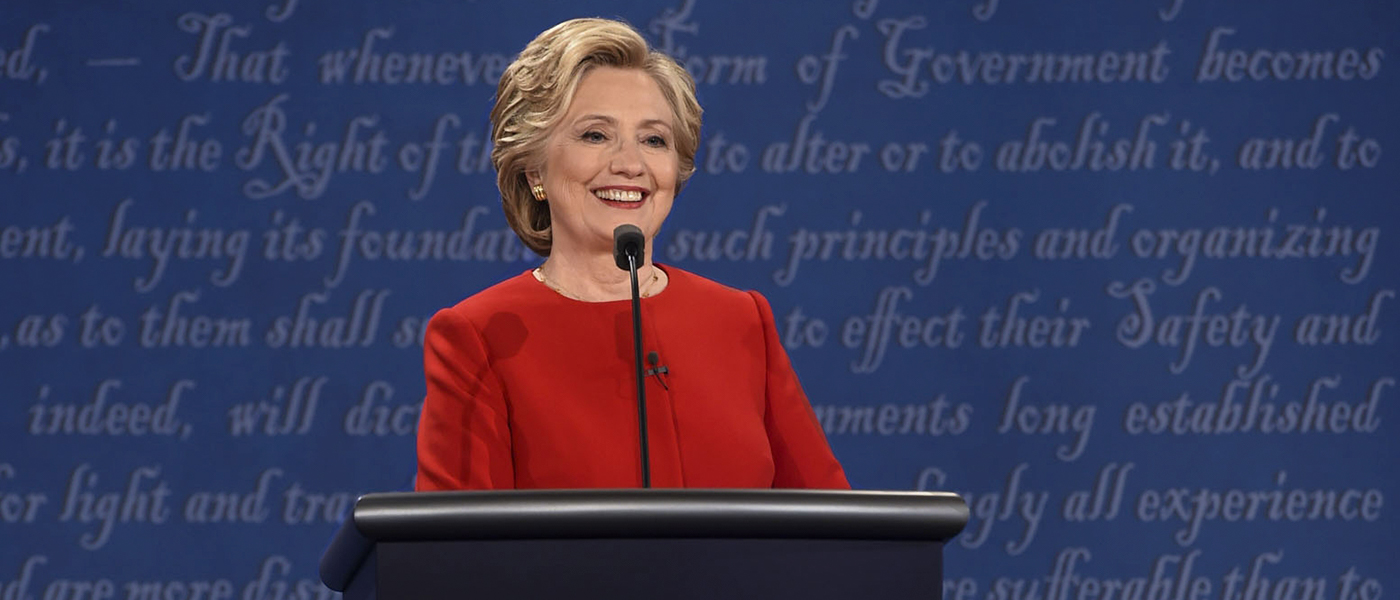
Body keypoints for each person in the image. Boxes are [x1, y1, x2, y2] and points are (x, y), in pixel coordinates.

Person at [415, 18, 847, 490]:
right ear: (533, 167)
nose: (630, 164)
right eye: (595, 135)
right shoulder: (481, 335)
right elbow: (454, 553)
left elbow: (831, 524)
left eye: (654, 139)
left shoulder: (741, 320)